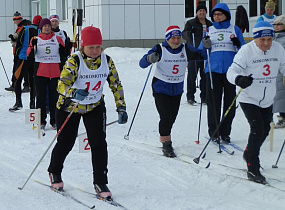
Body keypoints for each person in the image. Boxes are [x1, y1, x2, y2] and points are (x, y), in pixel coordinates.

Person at [47, 26, 128, 199]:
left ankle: (100, 181)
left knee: (98, 143)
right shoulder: (74, 61)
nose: (95, 51)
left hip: (94, 106)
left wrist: (121, 106)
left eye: (98, 47)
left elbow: (116, 84)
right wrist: (73, 92)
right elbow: (61, 85)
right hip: (70, 107)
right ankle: (54, 172)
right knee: (66, 142)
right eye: (91, 47)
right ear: (82, 46)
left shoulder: (107, 60)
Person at [227, 21, 285, 183]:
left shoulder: (278, 49)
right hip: (249, 97)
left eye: (269, 39)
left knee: (266, 129)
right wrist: (239, 79)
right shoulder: (246, 51)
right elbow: (231, 71)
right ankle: (253, 166)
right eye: (262, 40)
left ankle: (248, 153)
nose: (266, 43)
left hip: (267, 98)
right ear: (255, 38)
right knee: (257, 128)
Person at [139, 25, 202, 157]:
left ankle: (165, 135)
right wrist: (149, 59)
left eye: (178, 37)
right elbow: (142, 63)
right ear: (168, 38)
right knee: (166, 116)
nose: (176, 40)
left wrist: (207, 46)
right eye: (173, 38)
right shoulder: (159, 48)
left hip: (177, 89)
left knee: (172, 117)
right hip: (160, 87)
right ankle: (166, 143)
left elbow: (203, 55)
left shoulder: (186, 49)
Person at [199, 3, 245, 143]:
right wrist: (205, 44)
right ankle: (214, 131)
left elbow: (244, 51)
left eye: (219, 14)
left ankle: (225, 132)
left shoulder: (234, 29)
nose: (216, 17)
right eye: (214, 14)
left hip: (231, 72)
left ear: (226, 15)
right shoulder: (209, 30)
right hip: (213, 71)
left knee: (229, 103)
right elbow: (201, 51)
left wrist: (237, 43)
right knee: (213, 103)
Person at [27, 18, 65, 129]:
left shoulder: (57, 38)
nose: (47, 28)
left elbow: (64, 54)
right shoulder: (36, 39)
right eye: (45, 26)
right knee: (41, 98)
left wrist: (65, 48)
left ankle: (54, 120)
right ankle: (41, 121)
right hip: (40, 72)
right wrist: (31, 46)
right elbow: (29, 55)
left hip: (55, 73)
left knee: (55, 98)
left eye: (48, 26)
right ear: (41, 28)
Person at [9, 15, 42, 112]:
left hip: (23, 57)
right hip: (35, 59)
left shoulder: (25, 29)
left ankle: (18, 102)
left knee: (17, 79)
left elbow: (19, 43)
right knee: (33, 82)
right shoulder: (41, 31)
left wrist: (17, 56)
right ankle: (32, 103)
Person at [182, 4, 212, 105]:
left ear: (206, 12)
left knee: (204, 76)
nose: (202, 12)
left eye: (203, 11)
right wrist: (190, 33)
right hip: (193, 52)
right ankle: (190, 96)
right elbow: (184, 33)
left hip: (204, 53)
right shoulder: (191, 23)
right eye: (200, 11)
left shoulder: (210, 24)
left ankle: (204, 97)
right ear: (196, 12)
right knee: (192, 75)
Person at [6, 11, 30, 92]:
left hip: (21, 52)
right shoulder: (21, 26)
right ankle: (16, 84)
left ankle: (21, 85)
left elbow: (20, 39)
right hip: (18, 52)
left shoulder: (24, 26)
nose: (14, 21)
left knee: (20, 69)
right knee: (19, 69)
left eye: (15, 19)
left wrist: (13, 38)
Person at [272, 15, 285, 128]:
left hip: (282, 70)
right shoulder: (273, 37)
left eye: (279, 24)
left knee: (282, 94)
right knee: (278, 94)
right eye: (275, 24)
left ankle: (282, 117)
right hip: (274, 70)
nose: (276, 26)